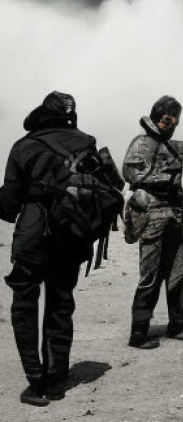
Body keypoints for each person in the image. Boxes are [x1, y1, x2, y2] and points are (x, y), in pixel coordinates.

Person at [0, 92, 112, 405]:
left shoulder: (24, 146)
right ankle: (58, 374)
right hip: (72, 234)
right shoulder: (86, 143)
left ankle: (36, 381)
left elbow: (9, 204)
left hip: (33, 236)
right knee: (61, 300)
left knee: (25, 303)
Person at [121, 95, 183, 349]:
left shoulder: (176, 146)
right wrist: (165, 173)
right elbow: (131, 172)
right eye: (167, 120)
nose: (171, 124)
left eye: (175, 120)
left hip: (174, 216)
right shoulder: (141, 143)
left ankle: (177, 324)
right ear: (156, 117)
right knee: (150, 276)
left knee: (178, 273)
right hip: (152, 216)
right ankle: (139, 332)